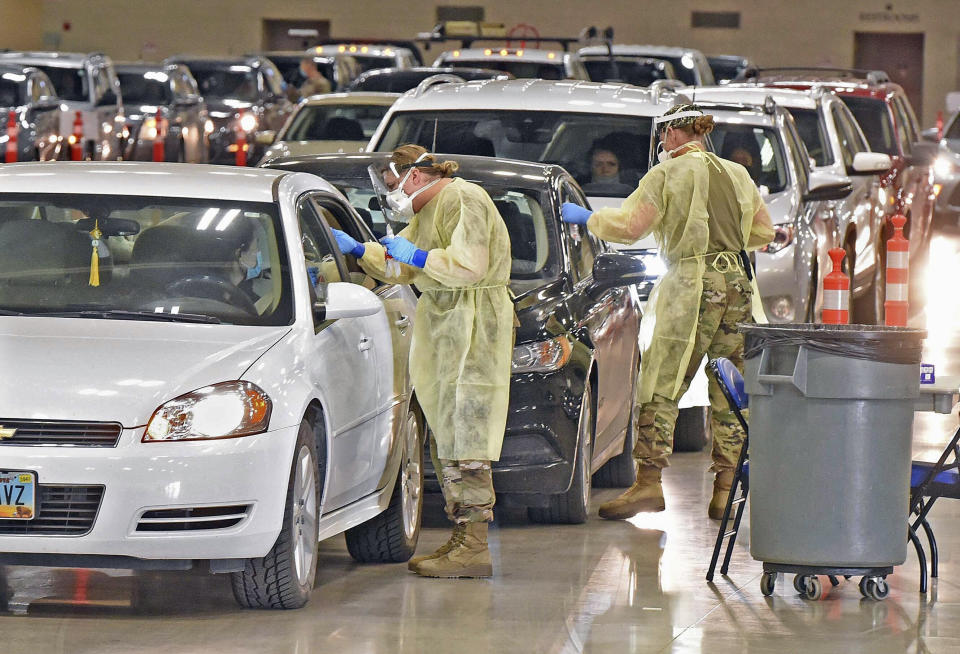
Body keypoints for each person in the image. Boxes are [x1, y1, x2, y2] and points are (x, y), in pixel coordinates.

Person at [561, 104, 775, 520]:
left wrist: (589, 218)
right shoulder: (737, 174)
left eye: (663, 135)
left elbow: (629, 227)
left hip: (692, 287)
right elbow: (763, 232)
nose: (661, 143)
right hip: (737, 284)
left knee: (661, 382)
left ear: (674, 134)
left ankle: (648, 484)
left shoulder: (666, 174)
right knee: (731, 389)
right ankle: (726, 489)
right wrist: (724, 237)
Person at [330, 145, 514, 578]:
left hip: (473, 331)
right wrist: (360, 250)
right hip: (450, 327)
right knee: (450, 434)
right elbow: (398, 266)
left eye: (393, 183)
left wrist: (416, 257)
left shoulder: (464, 198)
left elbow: (468, 267)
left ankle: (474, 547)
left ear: (415, 175)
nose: (392, 192)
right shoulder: (430, 211)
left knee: (467, 438)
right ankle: (463, 537)